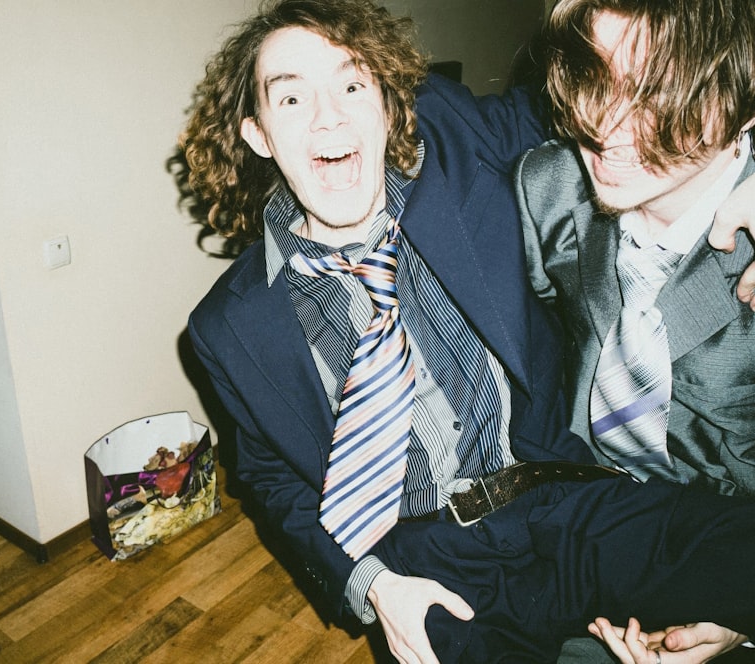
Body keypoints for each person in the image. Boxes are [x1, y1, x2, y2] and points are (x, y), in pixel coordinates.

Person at [182, 1, 755, 661]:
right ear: (258, 134)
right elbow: (271, 481)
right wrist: (373, 586)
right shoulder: (227, 327)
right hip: (426, 565)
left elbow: (626, 102)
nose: (328, 116)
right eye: (291, 98)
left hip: (560, 491)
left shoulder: (460, 149)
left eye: (350, 85)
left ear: (388, 106)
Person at [516, 0, 755, 660]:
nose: (605, 126)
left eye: (654, 92)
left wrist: (737, 608)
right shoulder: (550, 186)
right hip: (588, 530)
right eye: (595, 79)